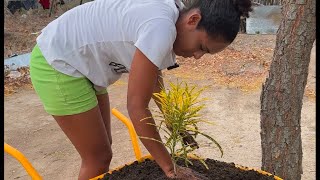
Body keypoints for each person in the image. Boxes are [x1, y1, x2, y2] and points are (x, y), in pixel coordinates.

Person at [29, 0, 252, 179]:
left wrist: (174, 122)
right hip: (58, 62)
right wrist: (170, 168)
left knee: (102, 152)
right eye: (201, 47)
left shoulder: (170, 17)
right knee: (97, 157)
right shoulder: (161, 25)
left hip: (83, 67)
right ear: (193, 20)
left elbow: (152, 78)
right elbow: (137, 107)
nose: (197, 56)